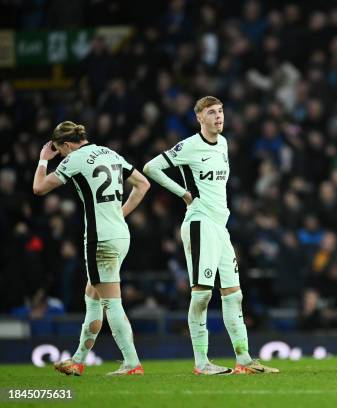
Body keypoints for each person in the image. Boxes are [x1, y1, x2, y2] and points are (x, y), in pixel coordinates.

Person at [144, 96, 279, 375]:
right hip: (199, 222)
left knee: (233, 295)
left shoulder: (224, 143)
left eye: (220, 111)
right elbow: (150, 168)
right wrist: (181, 192)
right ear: (199, 118)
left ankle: (244, 360)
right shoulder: (190, 146)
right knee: (202, 294)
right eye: (211, 112)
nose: (218, 117)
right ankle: (201, 362)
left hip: (220, 227)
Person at [32, 121, 150, 376]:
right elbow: (143, 184)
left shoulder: (74, 159)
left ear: (65, 145)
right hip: (121, 235)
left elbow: (38, 188)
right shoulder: (110, 153)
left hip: (101, 240)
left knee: (111, 302)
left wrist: (43, 160)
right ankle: (77, 360)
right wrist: (121, 213)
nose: (60, 155)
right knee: (93, 295)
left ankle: (132, 362)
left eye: (59, 150)